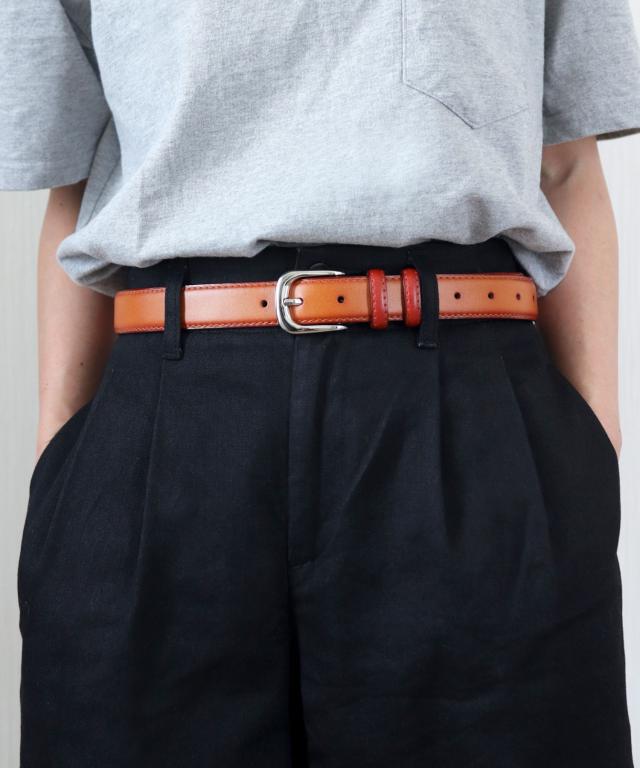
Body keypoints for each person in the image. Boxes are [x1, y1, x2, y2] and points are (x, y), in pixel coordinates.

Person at [2, 0, 640, 765]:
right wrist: (59, 459)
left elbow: (566, 163)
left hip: (469, 412)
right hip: (164, 422)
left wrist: (593, 445)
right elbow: (74, 180)